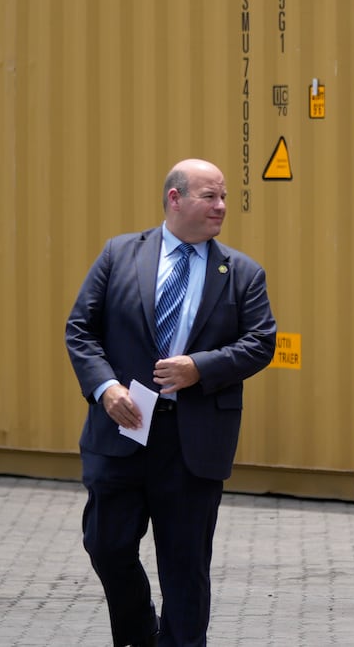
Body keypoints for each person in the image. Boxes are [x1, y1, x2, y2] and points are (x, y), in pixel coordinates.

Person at [64, 159, 276, 647]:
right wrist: (106, 388)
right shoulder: (120, 254)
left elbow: (260, 342)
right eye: (210, 196)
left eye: (223, 196)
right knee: (106, 545)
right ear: (175, 198)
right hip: (122, 431)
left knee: (185, 568)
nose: (221, 206)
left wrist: (200, 367)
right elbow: (81, 330)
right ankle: (141, 634)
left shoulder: (241, 272)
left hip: (192, 445)